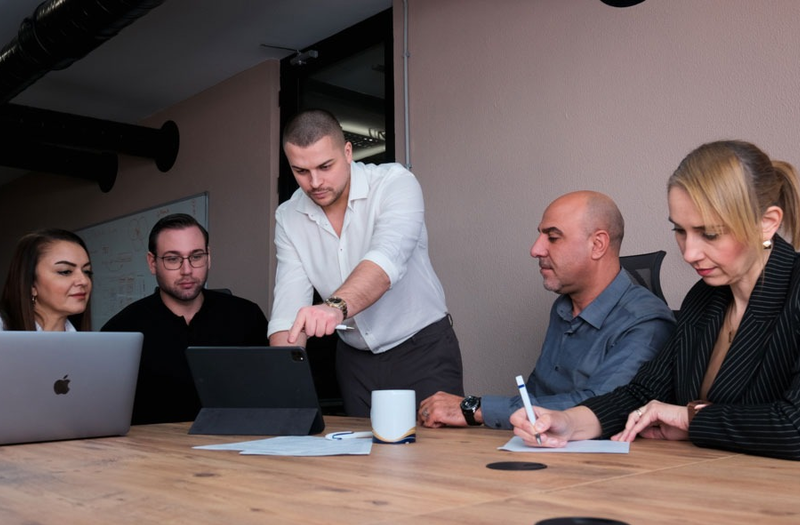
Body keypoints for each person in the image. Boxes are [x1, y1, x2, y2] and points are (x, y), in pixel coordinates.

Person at [512, 140, 800, 461]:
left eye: (711, 233)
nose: (689, 253)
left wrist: (689, 418)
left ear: (768, 223)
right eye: (680, 230)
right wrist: (569, 421)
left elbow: (794, 425)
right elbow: (643, 393)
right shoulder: (704, 299)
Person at [419, 191, 676, 429]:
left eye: (553, 237)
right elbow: (536, 396)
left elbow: (600, 405)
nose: (536, 249)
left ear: (598, 245)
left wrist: (475, 409)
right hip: (543, 445)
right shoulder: (564, 305)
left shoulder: (646, 321)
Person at [268, 109, 464, 416]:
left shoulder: (395, 183)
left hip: (422, 349)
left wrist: (333, 308)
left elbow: (384, 263)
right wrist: (282, 378)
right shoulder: (288, 217)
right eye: (301, 171)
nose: (315, 182)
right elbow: (288, 307)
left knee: (436, 455)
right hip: (354, 360)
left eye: (325, 166)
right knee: (360, 460)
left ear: (348, 152)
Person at [102, 213, 268, 424]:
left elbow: (271, 395)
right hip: (152, 452)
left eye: (196, 256)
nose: (187, 270)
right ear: (152, 263)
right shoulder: (121, 330)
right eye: (173, 259)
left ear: (209, 257)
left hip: (233, 447)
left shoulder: (247, 316)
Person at [1, 229, 93, 331]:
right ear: (31, 284)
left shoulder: (87, 342)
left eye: (87, 272)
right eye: (65, 271)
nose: (84, 281)